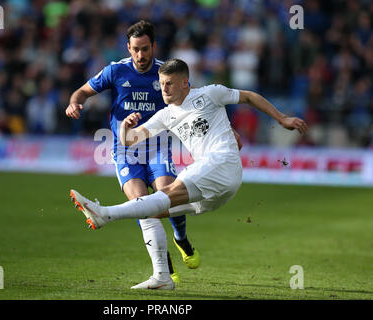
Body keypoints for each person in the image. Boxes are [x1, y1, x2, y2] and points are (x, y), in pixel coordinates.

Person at [70, 58, 308, 290]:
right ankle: (162, 276)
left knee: (166, 192)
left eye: (169, 83)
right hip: (214, 194)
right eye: (161, 83)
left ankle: (104, 214)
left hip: (222, 163)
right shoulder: (166, 115)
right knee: (152, 211)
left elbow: (248, 96)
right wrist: (124, 127)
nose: (163, 88)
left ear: (185, 83)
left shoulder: (210, 93)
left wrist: (282, 118)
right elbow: (130, 140)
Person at [66, 21, 210, 284]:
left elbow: (192, 103)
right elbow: (83, 91)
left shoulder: (164, 73)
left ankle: (181, 238)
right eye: (136, 50)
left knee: (170, 197)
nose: (141, 56)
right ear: (128, 48)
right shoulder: (115, 71)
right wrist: (75, 102)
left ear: (154, 46)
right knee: (142, 207)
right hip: (125, 150)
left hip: (157, 147)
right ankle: (163, 265)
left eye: (145, 49)